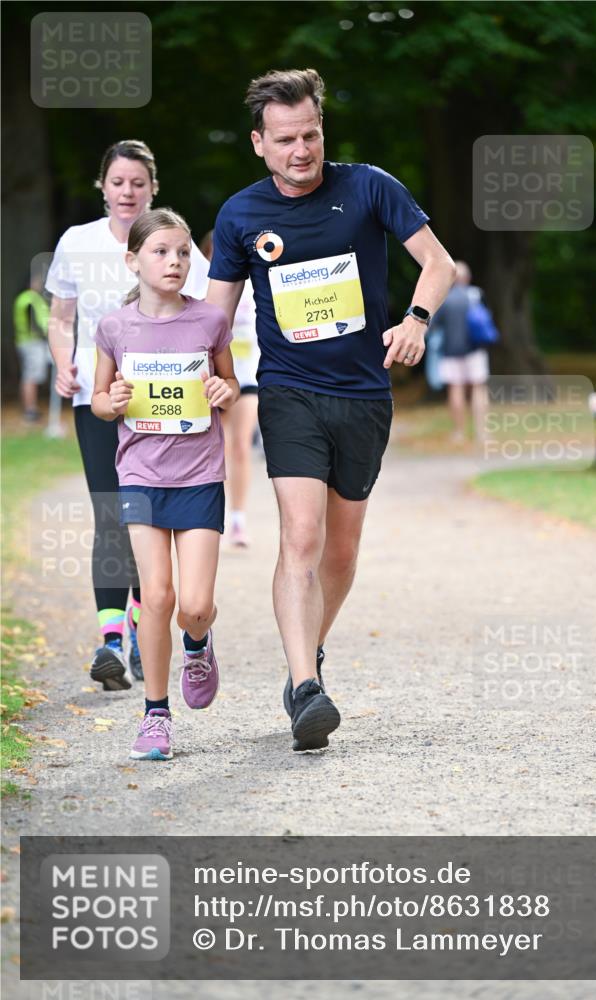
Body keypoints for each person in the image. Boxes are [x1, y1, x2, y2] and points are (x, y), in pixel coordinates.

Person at [207, 68, 455, 751]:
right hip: (287, 391)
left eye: (310, 134)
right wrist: (203, 377)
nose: (301, 150)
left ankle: (304, 659)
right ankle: (306, 690)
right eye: (285, 139)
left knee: (341, 552)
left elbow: (439, 263)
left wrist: (415, 318)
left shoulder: (369, 187)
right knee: (304, 537)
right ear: (259, 143)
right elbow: (213, 318)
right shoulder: (240, 215)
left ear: (323, 130)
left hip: (364, 395)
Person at [46, 140, 210, 690]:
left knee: (147, 513)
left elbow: (212, 306)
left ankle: (147, 629)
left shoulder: (172, 243)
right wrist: (62, 363)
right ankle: (112, 640)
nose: (127, 192)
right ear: (103, 186)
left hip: (164, 399)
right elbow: (61, 316)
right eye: (118, 182)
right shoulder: (78, 242)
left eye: (138, 183)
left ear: (153, 187)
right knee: (111, 512)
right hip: (97, 395)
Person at [92, 208, 238, 760]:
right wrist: (114, 403)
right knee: (156, 596)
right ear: (133, 261)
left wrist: (225, 391)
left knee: (194, 604)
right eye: (160, 252)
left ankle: (197, 644)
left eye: (181, 252)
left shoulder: (208, 322)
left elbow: (228, 380)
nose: (174, 261)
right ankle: (155, 716)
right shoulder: (114, 327)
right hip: (140, 475)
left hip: (200, 474)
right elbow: (101, 402)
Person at [201, 231, 260, 547]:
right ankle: (213, 517)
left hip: (248, 376)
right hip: (209, 379)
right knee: (213, 449)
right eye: (214, 252)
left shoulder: (253, 286)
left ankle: (238, 519)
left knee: (239, 446)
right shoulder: (198, 288)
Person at [431, 261, 490, 445]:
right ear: (468, 278)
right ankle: (482, 433)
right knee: (479, 388)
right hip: (475, 349)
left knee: (455, 389)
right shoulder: (476, 295)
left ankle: (459, 433)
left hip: (450, 351)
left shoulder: (444, 299)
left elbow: (432, 327)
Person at [14, 271, 51, 422]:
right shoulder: (30, 298)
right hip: (32, 342)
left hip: (25, 341)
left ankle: (29, 407)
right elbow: (36, 322)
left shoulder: (23, 298)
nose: (39, 284)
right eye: (37, 281)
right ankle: (30, 409)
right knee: (31, 376)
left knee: (29, 375)